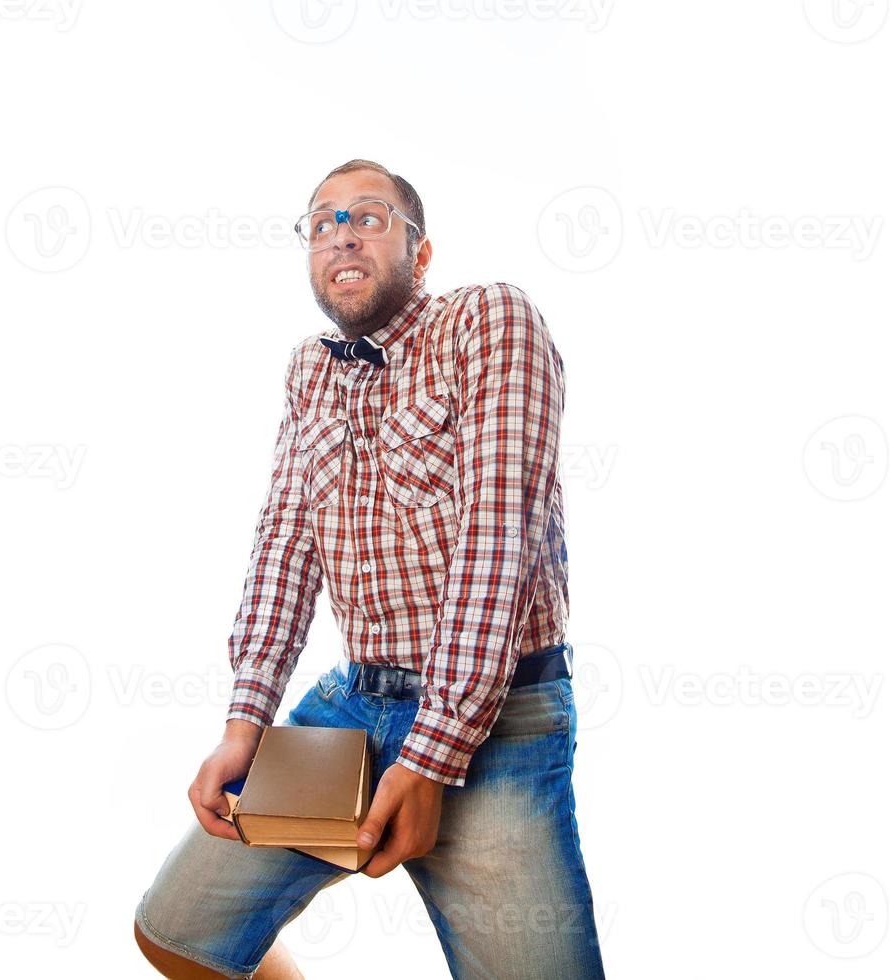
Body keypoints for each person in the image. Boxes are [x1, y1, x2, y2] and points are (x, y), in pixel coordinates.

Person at [133, 158, 607, 979]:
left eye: (369, 216)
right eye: (321, 223)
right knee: (175, 933)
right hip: (355, 704)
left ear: (420, 253)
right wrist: (244, 725)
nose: (341, 233)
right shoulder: (308, 371)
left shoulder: (490, 320)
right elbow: (284, 541)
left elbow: (497, 545)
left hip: (496, 717)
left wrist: (431, 757)